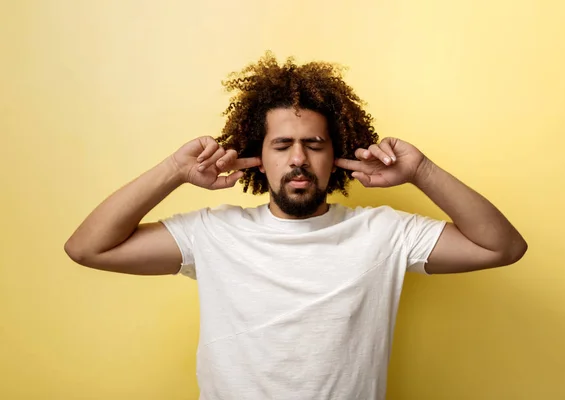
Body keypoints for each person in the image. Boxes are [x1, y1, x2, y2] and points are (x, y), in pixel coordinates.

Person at [64, 52, 527, 400]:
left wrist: (422, 171)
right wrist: (173, 170)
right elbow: (88, 248)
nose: (299, 159)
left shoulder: (384, 234)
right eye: (282, 144)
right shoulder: (211, 234)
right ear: (257, 159)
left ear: (337, 156)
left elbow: (501, 247)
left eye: (314, 144)